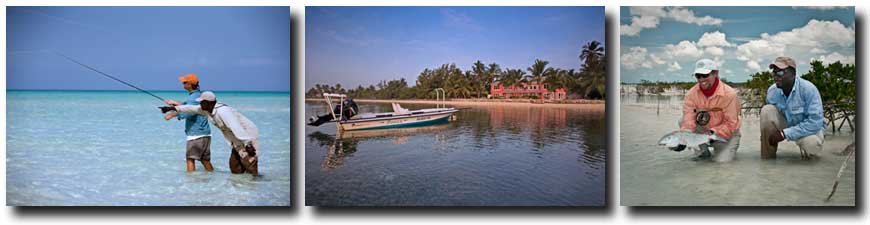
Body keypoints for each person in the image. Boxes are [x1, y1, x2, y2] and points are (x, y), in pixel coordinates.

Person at [162, 91, 260, 175]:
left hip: (247, 135)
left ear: (208, 103)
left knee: (250, 164)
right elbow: (190, 108)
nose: (200, 105)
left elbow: (236, 127)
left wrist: (248, 144)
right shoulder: (206, 109)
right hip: (235, 138)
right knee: (235, 168)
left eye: (201, 102)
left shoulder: (223, 111)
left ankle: (255, 184)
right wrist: (173, 108)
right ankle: (241, 189)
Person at [671, 59, 741, 162]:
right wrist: (683, 139)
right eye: (698, 76)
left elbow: (731, 123)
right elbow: (688, 122)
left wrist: (713, 132)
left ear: (715, 73)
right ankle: (702, 153)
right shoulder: (691, 94)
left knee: (721, 164)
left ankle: (722, 151)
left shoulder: (729, 94)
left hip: (727, 135)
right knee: (682, 121)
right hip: (703, 132)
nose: (701, 79)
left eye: (705, 75)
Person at [761, 56, 825, 160]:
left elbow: (815, 123)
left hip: (809, 130)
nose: (776, 76)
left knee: (812, 145)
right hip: (787, 124)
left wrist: (784, 134)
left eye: (780, 72)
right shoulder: (772, 91)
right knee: (767, 110)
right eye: (774, 72)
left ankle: (811, 169)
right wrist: (767, 135)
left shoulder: (808, 89)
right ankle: (767, 161)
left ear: (793, 73)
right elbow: (769, 120)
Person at [163, 73, 213, 172]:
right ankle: (212, 177)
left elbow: (189, 112)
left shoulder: (193, 97)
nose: (183, 84)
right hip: (205, 133)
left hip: (196, 134)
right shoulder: (198, 95)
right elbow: (189, 106)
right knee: (205, 160)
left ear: (190, 84)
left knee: (190, 159)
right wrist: (175, 103)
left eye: (184, 82)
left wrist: (173, 115)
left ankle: (191, 183)